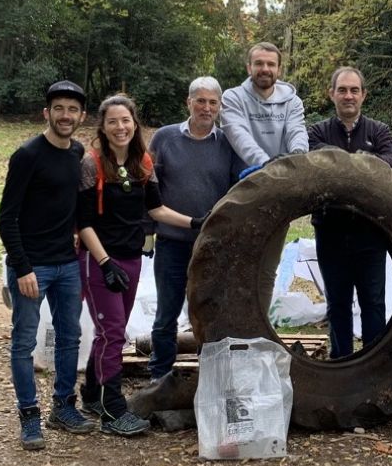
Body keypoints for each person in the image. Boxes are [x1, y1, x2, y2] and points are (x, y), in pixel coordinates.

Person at [76, 94, 206, 436]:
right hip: (98, 259)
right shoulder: (92, 164)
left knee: (110, 332)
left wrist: (195, 223)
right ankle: (112, 410)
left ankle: (91, 392)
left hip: (132, 258)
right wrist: (104, 262)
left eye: (126, 121)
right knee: (114, 331)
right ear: (102, 127)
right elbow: (83, 222)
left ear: (135, 124)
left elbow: (156, 210)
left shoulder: (142, 163)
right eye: (113, 122)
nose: (120, 127)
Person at [0, 80, 94, 450]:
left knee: (70, 337)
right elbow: (7, 217)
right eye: (59, 109)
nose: (65, 116)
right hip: (32, 266)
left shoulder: (77, 152)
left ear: (81, 116)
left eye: (73, 110)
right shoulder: (27, 155)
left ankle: (63, 407)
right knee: (24, 343)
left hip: (67, 264)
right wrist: (22, 268)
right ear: (46, 113)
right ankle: (29, 416)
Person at [146, 77, 239, 380]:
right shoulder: (164, 138)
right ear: (188, 102)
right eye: (200, 100)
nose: (206, 108)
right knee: (166, 314)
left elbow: (238, 188)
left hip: (212, 245)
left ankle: (208, 378)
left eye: (213, 102)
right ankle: (159, 376)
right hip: (172, 242)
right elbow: (149, 188)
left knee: (208, 313)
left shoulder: (228, 142)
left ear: (220, 106)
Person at [307, 67, 392, 358]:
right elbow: (313, 162)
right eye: (343, 90)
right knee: (337, 302)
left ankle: (372, 362)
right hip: (330, 230)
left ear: (363, 95)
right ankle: (341, 361)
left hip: (370, 232)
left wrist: (339, 163)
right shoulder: (317, 131)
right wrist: (362, 165)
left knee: (373, 301)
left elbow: (390, 163)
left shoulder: (380, 131)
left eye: (354, 90)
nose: (349, 96)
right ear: (332, 94)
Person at [219, 41, 308, 178]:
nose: (265, 69)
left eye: (271, 64)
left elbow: (297, 133)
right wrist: (267, 166)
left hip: (287, 176)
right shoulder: (233, 98)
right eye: (259, 63)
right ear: (249, 68)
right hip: (246, 181)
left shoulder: (293, 101)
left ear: (279, 70)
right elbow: (239, 136)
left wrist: (297, 158)